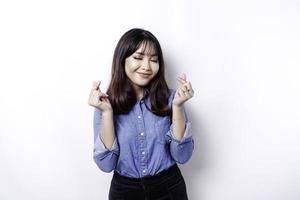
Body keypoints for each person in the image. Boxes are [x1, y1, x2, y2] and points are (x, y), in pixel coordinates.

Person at [88, 28, 195, 200]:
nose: (146, 66)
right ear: (121, 60)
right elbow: (106, 165)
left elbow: (182, 156)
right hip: (124, 191)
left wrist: (177, 107)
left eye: (154, 60)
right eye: (138, 57)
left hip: (168, 188)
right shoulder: (104, 104)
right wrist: (107, 113)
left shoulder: (173, 99)